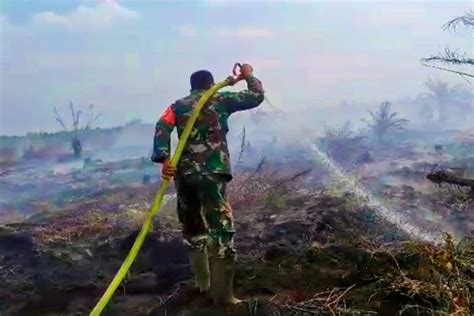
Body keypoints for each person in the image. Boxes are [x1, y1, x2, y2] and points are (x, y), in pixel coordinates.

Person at [151, 64, 264, 305]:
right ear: (211, 84)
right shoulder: (220, 99)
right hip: (212, 172)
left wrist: (165, 159)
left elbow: (162, 125)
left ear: (192, 86)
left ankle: (203, 284)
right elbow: (256, 97)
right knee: (221, 228)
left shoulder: (178, 106)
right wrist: (249, 76)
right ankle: (223, 296)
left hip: (185, 174)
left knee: (192, 226)